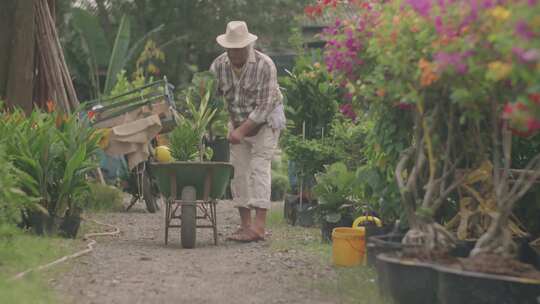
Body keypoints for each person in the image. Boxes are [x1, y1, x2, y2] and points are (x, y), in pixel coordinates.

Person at [210, 21, 286, 242]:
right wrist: (214, 124)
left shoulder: (265, 65)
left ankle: (259, 227)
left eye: (239, 49)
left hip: (266, 121)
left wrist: (241, 131)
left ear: (248, 46)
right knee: (239, 170)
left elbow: (264, 106)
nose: (234, 53)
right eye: (230, 49)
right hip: (236, 120)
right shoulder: (218, 66)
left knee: (259, 168)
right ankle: (245, 226)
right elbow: (212, 99)